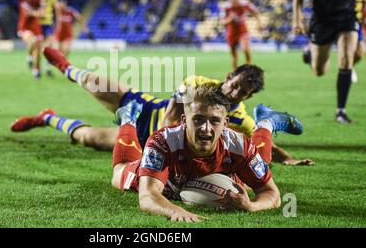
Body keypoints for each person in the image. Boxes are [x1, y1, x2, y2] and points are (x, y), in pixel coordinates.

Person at [11, 47, 314, 166]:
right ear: (229, 76)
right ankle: (65, 66)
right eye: (235, 85)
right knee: (94, 81)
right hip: (145, 110)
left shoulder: (238, 116)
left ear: (248, 97)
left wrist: (286, 158)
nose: (236, 93)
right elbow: (171, 113)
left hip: (145, 140)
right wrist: (157, 149)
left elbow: (259, 140)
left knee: (86, 138)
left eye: (243, 93)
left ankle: (47, 117)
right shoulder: (198, 82)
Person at [110, 85, 302, 221]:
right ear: (184, 120)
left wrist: (251, 206)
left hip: (219, 175)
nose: (205, 128)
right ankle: (128, 118)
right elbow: (148, 196)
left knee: (256, 171)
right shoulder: (163, 142)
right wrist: (174, 211)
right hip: (166, 184)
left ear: (225, 124)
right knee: (118, 173)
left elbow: (271, 194)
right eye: (198, 119)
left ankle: (266, 123)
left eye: (215, 121)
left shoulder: (239, 146)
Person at [292, 0, 366, 123]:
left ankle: (340, 111)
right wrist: (297, 19)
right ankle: (311, 55)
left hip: (347, 18)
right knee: (319, 70)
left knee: (348, 60)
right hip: (322, 21)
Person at [3, 0, 44, 78]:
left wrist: (33, 13)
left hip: (36, 27)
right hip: (24, 26)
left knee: (39, 50)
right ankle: (30, 56)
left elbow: (42, 13)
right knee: (33, 42)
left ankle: (37, 70)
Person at [220, 0, 263, 70]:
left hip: (243, 30)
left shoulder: (245, 3)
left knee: (246, 49)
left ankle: (248, 70)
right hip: (231, 33)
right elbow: (222, 22)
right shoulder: (226, 6)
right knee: (234, 56)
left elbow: (255, 12)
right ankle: (235, 73)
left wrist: (259, 23)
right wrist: (230, 19)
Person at [33, 0, 58, 77]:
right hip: (36, 24)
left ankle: (48, 68)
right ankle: (37, 69)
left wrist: (57, 21)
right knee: (37, 48)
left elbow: (56, 7)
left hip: (48, 23)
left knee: (49, 47)